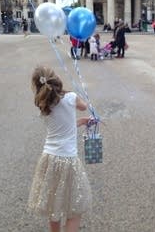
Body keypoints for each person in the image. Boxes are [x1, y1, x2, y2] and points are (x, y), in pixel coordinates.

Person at [28, 66, 92, 232]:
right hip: (68, 160)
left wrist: (80, 122)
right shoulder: (71, 97)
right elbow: (84, 106)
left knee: (53, 205)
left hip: (49, 158)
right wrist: (81, 90)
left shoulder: (43, 104)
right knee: (74, 210)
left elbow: (62, 128)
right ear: (56, 79)